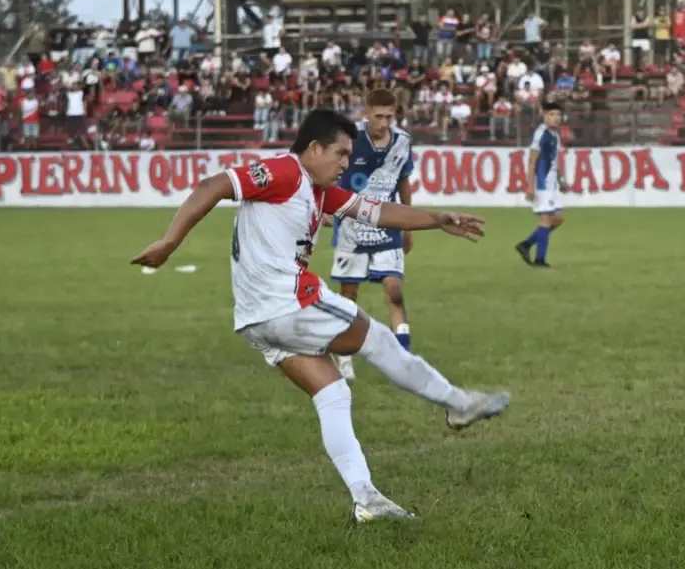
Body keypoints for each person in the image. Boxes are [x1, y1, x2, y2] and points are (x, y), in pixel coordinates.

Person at [130, 109, 510, 524]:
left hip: (256, 322)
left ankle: (367, 500)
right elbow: (216, 184)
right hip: (288, 305)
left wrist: (438, 219)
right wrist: (170, 241)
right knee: (379, 340)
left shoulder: (320, 191)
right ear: (313, 148)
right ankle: (458, 403)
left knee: (333, 395)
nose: (346, 164)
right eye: (340, 154)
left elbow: (378, 212)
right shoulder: (284, 173)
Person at [329, 90, 415, 381]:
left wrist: (409, 222)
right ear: (367, 113)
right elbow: (332, 174)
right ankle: (344, 357)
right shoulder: (350, 139)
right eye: (378, 116)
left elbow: (403, 180)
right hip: (352, 227)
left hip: (387, 224)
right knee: (349, 295)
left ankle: (403, 358)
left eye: (389, 116)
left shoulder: (402, 142)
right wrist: (326, 209)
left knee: (394, 289)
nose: (384, 122)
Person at [516, 103, 565, 267]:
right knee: (545, 219)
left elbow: (554, 160)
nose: (556, 118)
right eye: (552, 114)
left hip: (551, 184)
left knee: (558, 219)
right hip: (541, 182)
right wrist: (530, 184)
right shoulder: (541, 134)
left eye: (558, 114)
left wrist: (560, 178)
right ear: (544, 116)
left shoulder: (555, 135)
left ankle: (526, 244)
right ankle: (540, 260)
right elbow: (532, 160)